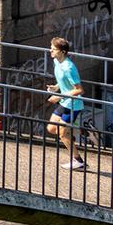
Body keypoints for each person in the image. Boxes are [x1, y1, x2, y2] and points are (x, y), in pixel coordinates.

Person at [44, 36, 87, 171]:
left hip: (73, 105)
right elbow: (63, 80)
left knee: (62, 134)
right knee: (51, 129)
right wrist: (56, 87)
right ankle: (73, 131)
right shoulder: (57, 62)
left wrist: (58, 96)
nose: (50, 50)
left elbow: (79, 90)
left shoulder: (69, 67)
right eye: (51, 48)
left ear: (62, 52)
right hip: (64, 102)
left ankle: (78, 161)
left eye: (53, 49)